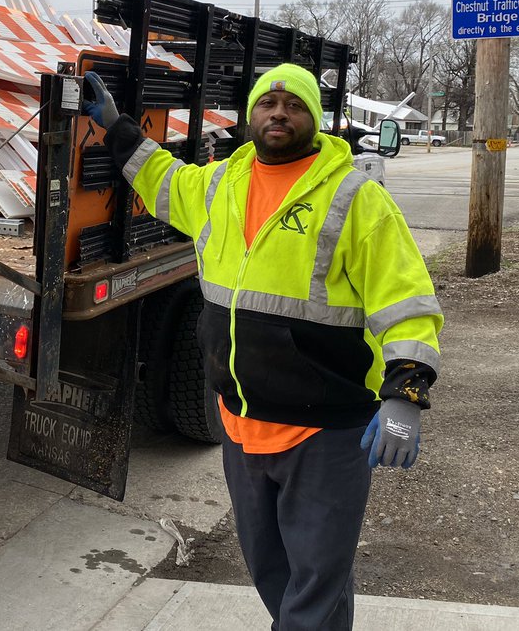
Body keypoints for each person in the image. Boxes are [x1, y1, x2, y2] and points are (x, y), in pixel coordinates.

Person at [83, 63, 442, 631]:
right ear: (251, 116)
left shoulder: (356, 198)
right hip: (241, 420)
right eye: (268, 103)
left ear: (315, 119)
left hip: (325, 431)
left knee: (316, 580)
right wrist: (115, 126)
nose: (280, 113)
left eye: (294, 104)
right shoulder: (221, 183)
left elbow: (406, 301)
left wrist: (406, 393)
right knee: (273, 572)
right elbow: (160, 179)